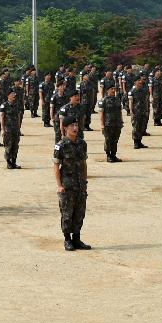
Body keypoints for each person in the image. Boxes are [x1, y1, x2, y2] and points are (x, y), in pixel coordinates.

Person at [53, 116, 91, 251]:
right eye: (72, 126)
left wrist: (85, 182)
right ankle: (67, 239)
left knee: (79, 212)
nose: (75, 128)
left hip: (80, 184)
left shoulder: (82, 143)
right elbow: (56, 166)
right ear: (65, 128)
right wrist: (59, 185)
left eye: (76, 125)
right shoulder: (61, 145)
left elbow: (84, 164)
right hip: (67, 185)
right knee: (67, 213)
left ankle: (77, 238)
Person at [98, 84, 123, 163]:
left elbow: (120, 111)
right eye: (111, 89)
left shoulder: (117, 100)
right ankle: (108, 155)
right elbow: (101, 113)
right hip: (108, 124)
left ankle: (113, 155)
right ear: (107, 90)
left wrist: (121, 121)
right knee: (108, 140)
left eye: (114, 89)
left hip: (117, 124)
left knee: (115, 140)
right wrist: (102, 124)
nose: (113, 90)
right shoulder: (103, 100)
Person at [0, 89, 22, 169]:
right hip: (8, 129)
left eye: (14, 94)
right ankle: (8, 162)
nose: (14, 95)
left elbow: (19, 117)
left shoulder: (16, 105)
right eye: (12, 94)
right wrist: (2, 129)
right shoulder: (4, 105)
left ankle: (14, 162)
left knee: (15, 146)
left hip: (15, 129)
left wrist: (19, 128)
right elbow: (2, 117)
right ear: (8, 95)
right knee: (8, 146)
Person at [128, 78, 149, 149]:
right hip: (136, 112)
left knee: (141, 127)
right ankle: (135, 142)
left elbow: (146, 101)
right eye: (138, 81)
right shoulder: (132, 91)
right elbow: (130, 103)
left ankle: (139, 141)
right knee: (136, 127)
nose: (140, 82)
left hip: (142, 111)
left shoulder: (143, 91)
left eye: (140, 81)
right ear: (135, 82)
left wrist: (146, 110)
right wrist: (131, 112)